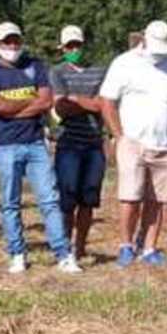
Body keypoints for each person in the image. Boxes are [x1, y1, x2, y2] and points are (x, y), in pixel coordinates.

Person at [0, 22, 82, 275]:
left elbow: (46, 101)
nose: (12, 46)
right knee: (11, 203)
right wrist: (29, 102)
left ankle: (63, 254)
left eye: (15, 40)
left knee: (49, 200)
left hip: (36, 143)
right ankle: (17, 253)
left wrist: (11, 106)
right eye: (6, 41)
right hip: (5, 146)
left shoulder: (36, 65)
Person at [99, 20, 167, 267]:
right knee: (130, 197)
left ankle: (149, 248)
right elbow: (107, 101)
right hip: (132, 141)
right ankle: (126, 245)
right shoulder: (124, 63)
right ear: (144, 40)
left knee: (158, 199)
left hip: (166, 143)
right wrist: (118, 135)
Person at [49, 25, 108, 260]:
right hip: (68, 144)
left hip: (94, 144)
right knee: (67, 198)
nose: (74, 49)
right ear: (62, 48)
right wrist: (87, 102)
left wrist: (74, 99)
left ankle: (80, 247)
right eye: (69, 46)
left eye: (77, 45)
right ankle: (64, 247)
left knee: (89, 199)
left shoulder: (100, 71)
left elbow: (102, 105)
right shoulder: (57, 72)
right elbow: (60, 108)